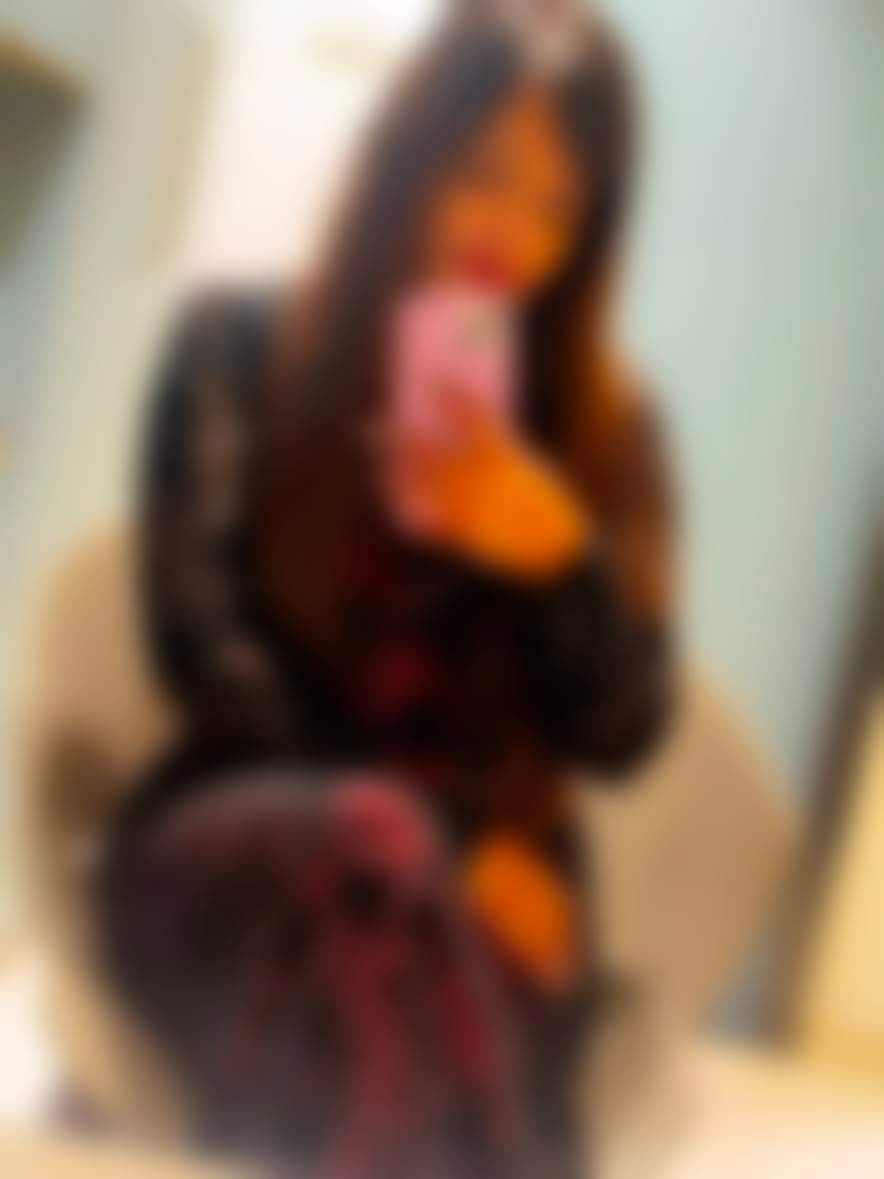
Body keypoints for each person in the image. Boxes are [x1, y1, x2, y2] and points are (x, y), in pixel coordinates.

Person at [102, 3, 677, 1175]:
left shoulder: (601, 434)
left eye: (555, 206)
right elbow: (203, 651)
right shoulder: (236, 349)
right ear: (409, 156)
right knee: (382, 857)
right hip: (243, 855)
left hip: (480, 908)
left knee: (403, 1014)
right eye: (481, 175)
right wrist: (451, 839)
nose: (509, 231)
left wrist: (560, 566)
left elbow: (622, 735)